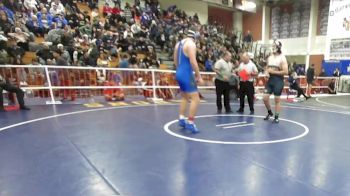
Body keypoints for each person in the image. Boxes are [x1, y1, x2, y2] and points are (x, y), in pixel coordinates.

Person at [174, 29, 203, 133]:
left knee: (185, 97)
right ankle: (191, 123)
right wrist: (198, 76)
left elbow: (175, 60)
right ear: (194, 37)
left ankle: (182, 119)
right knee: (196, 99)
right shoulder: (191, 44)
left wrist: (180, 71)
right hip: (186, 73)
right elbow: (193, 61)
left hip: (179, 72)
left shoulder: (178, 44)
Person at [263, 40, 288, 123]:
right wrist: (266, 72)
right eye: (272, 46)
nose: (273, 47)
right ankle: (270, 113)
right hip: (270, 80)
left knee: (277, 99)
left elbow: (286, 72)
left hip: (278, 80)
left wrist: (273, 72)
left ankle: (276, 117)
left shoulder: (282, 57)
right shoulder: (270, 57)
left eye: (274, 46)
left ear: (278, 47)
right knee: (265, 98)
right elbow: (267, 67)